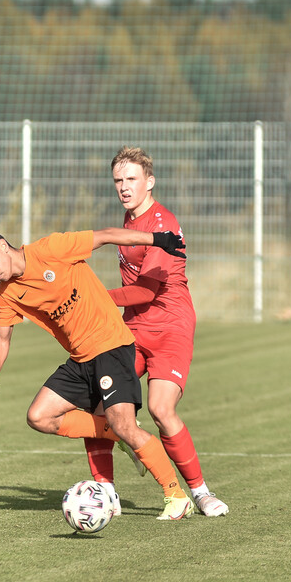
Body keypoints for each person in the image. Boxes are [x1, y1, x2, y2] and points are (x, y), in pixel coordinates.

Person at [0, 223, 195, 520]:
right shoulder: (7, 294)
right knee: (39, 416)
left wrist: (157, 239)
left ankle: (177, 495)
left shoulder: (52, 250)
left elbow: (107, 236)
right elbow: (1, 338)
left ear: (2, 246)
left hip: (112, 345)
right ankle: (118, 435)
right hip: (80, 358)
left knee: (125, 424)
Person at [83, 147, 228, 518]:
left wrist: (94, 296)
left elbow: (145, 292)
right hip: (132, 327)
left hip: (170, 325)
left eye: (131, 179)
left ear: (150, 182)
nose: (123, 187)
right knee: (99, 401)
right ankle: (105, 492)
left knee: (161, 409)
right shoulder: (129, 220)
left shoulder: (162, 223)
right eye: (118, 180)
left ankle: (200, 493)